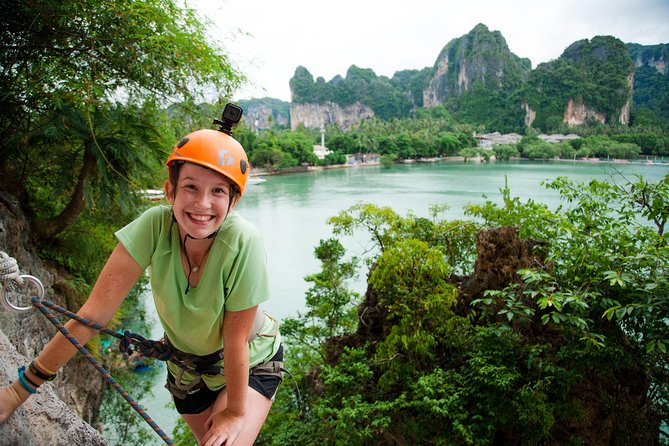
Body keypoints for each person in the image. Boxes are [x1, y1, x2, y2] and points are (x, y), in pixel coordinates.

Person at [0, 105, 283, 446]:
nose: (202, 204)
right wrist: (18, 391)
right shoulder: (153, 227)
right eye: (191, 187)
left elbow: (234, 340)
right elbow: (92, 316)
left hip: (249, 362)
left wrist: (235, 413)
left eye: (218, 191)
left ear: (233, 201)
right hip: (186, 370)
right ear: (170, 191)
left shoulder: (243, 242)